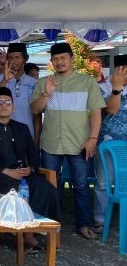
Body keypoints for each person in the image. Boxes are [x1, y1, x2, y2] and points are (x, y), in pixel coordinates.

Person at [0, 87, 62, 249]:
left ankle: (34, 231)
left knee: (46, 189)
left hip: (22, 173)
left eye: (8, 103)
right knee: (15, 192)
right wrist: (4, 170)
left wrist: (31, 168)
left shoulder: (21, 128)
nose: (4, 106)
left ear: (13, 107)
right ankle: (19, 234)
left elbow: (32, 154)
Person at [31, 42, 105, 239]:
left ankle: (83, 224)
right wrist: (47, 93)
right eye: (55, 59)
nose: (59, 62)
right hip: (51, 142)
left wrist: (93, 139)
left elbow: (97, 112)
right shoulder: (44, 82)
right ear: (51, 62)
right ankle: (51, 224)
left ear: (72, 59)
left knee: (80, 185)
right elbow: (35, 110)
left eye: (63, 58)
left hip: (79, 142)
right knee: (51, 186)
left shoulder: (87, 82)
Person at [93, 56, 127, 233]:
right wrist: (117, 88)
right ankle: (100, 218)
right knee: (104, 182)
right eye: (121, 68)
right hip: (109, 143)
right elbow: (112, 110)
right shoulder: (104, 87)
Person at [0, 43, 41, 141]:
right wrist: (5, 81)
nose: (13, 61)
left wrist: (36, 141)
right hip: (0, 136)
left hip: (27, 136)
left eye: (17, 57)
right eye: (10, 57)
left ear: (25, 59)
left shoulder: (34, 83)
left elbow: (37, 116)